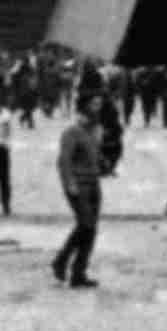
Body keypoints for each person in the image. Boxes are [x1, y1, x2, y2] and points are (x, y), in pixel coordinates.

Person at [52, 92, 106, 288]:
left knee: (90, 229)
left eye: (99, 104)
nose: (97, 108)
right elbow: (64, 160)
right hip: (78, 185)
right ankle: (61, 260)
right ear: (84, 108)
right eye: (94, 104)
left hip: (93, 183)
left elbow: (96, 154)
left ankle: (78, 273)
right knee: (86, 225)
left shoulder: (97, 129)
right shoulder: (72, 132)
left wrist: (103, 162)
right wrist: (69, 183)